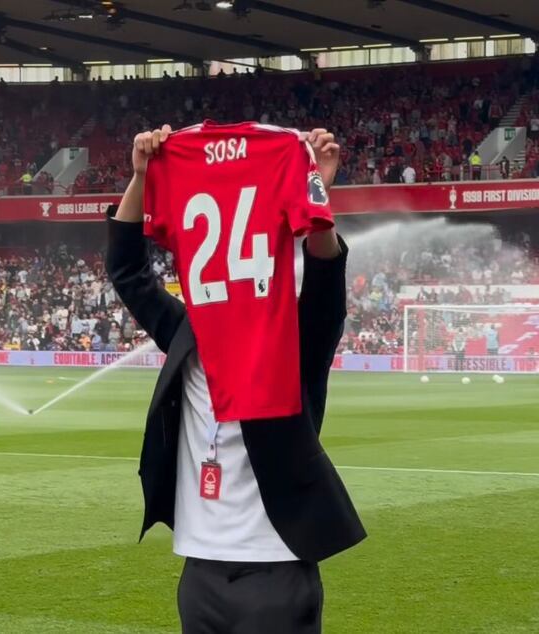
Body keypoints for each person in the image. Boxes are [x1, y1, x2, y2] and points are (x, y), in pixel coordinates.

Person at [106, 125, 365, 633]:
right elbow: (127, 271)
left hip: (275, 570)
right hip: (199, 570)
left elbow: (327, 291)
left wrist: (315, 192)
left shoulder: (292, 343)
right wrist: (140, 177)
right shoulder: (189, 330)